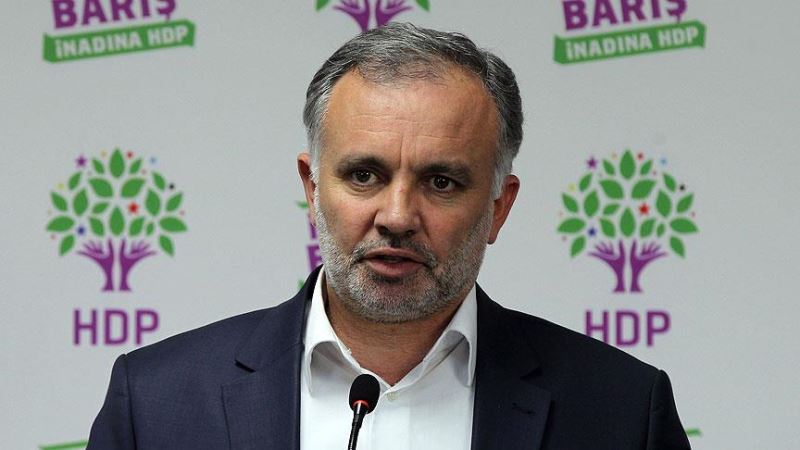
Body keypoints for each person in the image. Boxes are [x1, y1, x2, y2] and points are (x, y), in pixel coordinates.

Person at [87, 23, 690, 449]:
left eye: (441, 182)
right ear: (311, 188)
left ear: (499, 208)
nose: (397, 215)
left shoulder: (621, 410)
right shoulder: (156, 403)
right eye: (364, 175)